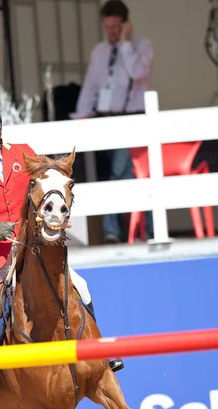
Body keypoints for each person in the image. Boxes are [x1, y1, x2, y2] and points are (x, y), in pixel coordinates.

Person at [0, 100, 124, 409]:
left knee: (82, 286)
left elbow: (46, 179)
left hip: (30, 252)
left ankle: (97, 353)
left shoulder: (21, 153)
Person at [75, 0, 154, 243]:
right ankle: (146, 228)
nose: (112, 32)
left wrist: (126, 44)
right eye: (107, 27)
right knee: (127, 174)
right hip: (105, 119)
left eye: (116, 27)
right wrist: (81, 114)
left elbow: (137, 72)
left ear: (126, 24)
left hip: (132, 117)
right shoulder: (99, 51)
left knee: (119, 171)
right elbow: (91, 84)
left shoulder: (142, 46)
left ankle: (112, 229)